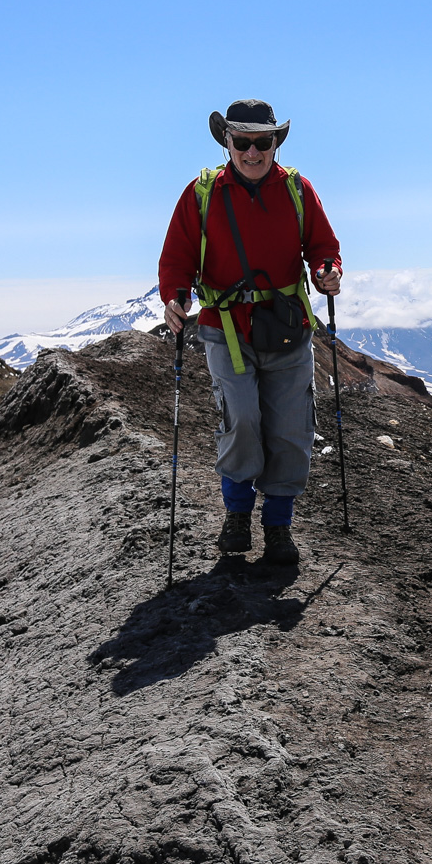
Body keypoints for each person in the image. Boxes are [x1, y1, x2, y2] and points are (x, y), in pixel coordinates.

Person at [157, 99, 342, 563]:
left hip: (286, 328)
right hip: (226, 328)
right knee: (240, 420)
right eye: (244, 142)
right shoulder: (201, 194)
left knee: (289, 429)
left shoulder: (298, 190)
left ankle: (278, 526)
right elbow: (177, 257)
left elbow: (323, 246)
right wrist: (175, 296)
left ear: (275, 142)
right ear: (228, 142)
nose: (254, 152)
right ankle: (237, 516)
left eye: (263, 142)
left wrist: (327, 271)